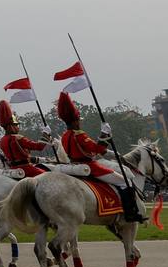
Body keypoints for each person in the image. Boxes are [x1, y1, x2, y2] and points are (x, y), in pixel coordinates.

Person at [56, 92, 143, 221]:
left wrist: (110, 149)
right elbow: (97, 148)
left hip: (74, 166)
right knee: (125, 181)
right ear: (75, 121)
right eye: (78, 121)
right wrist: (104, 134)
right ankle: (130, 212)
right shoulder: (79, 134)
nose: (79, 123)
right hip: (91, 167)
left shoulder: (64, 136)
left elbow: (95, 151)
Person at [0, 100, 51, 180]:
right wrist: (46, 134)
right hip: (27, 169)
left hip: (13, 169)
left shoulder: (2, 140)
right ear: (11, 126)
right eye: (16, 125)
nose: (18, 127)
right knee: (49, 177)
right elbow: (39, 147)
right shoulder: (18, 138)